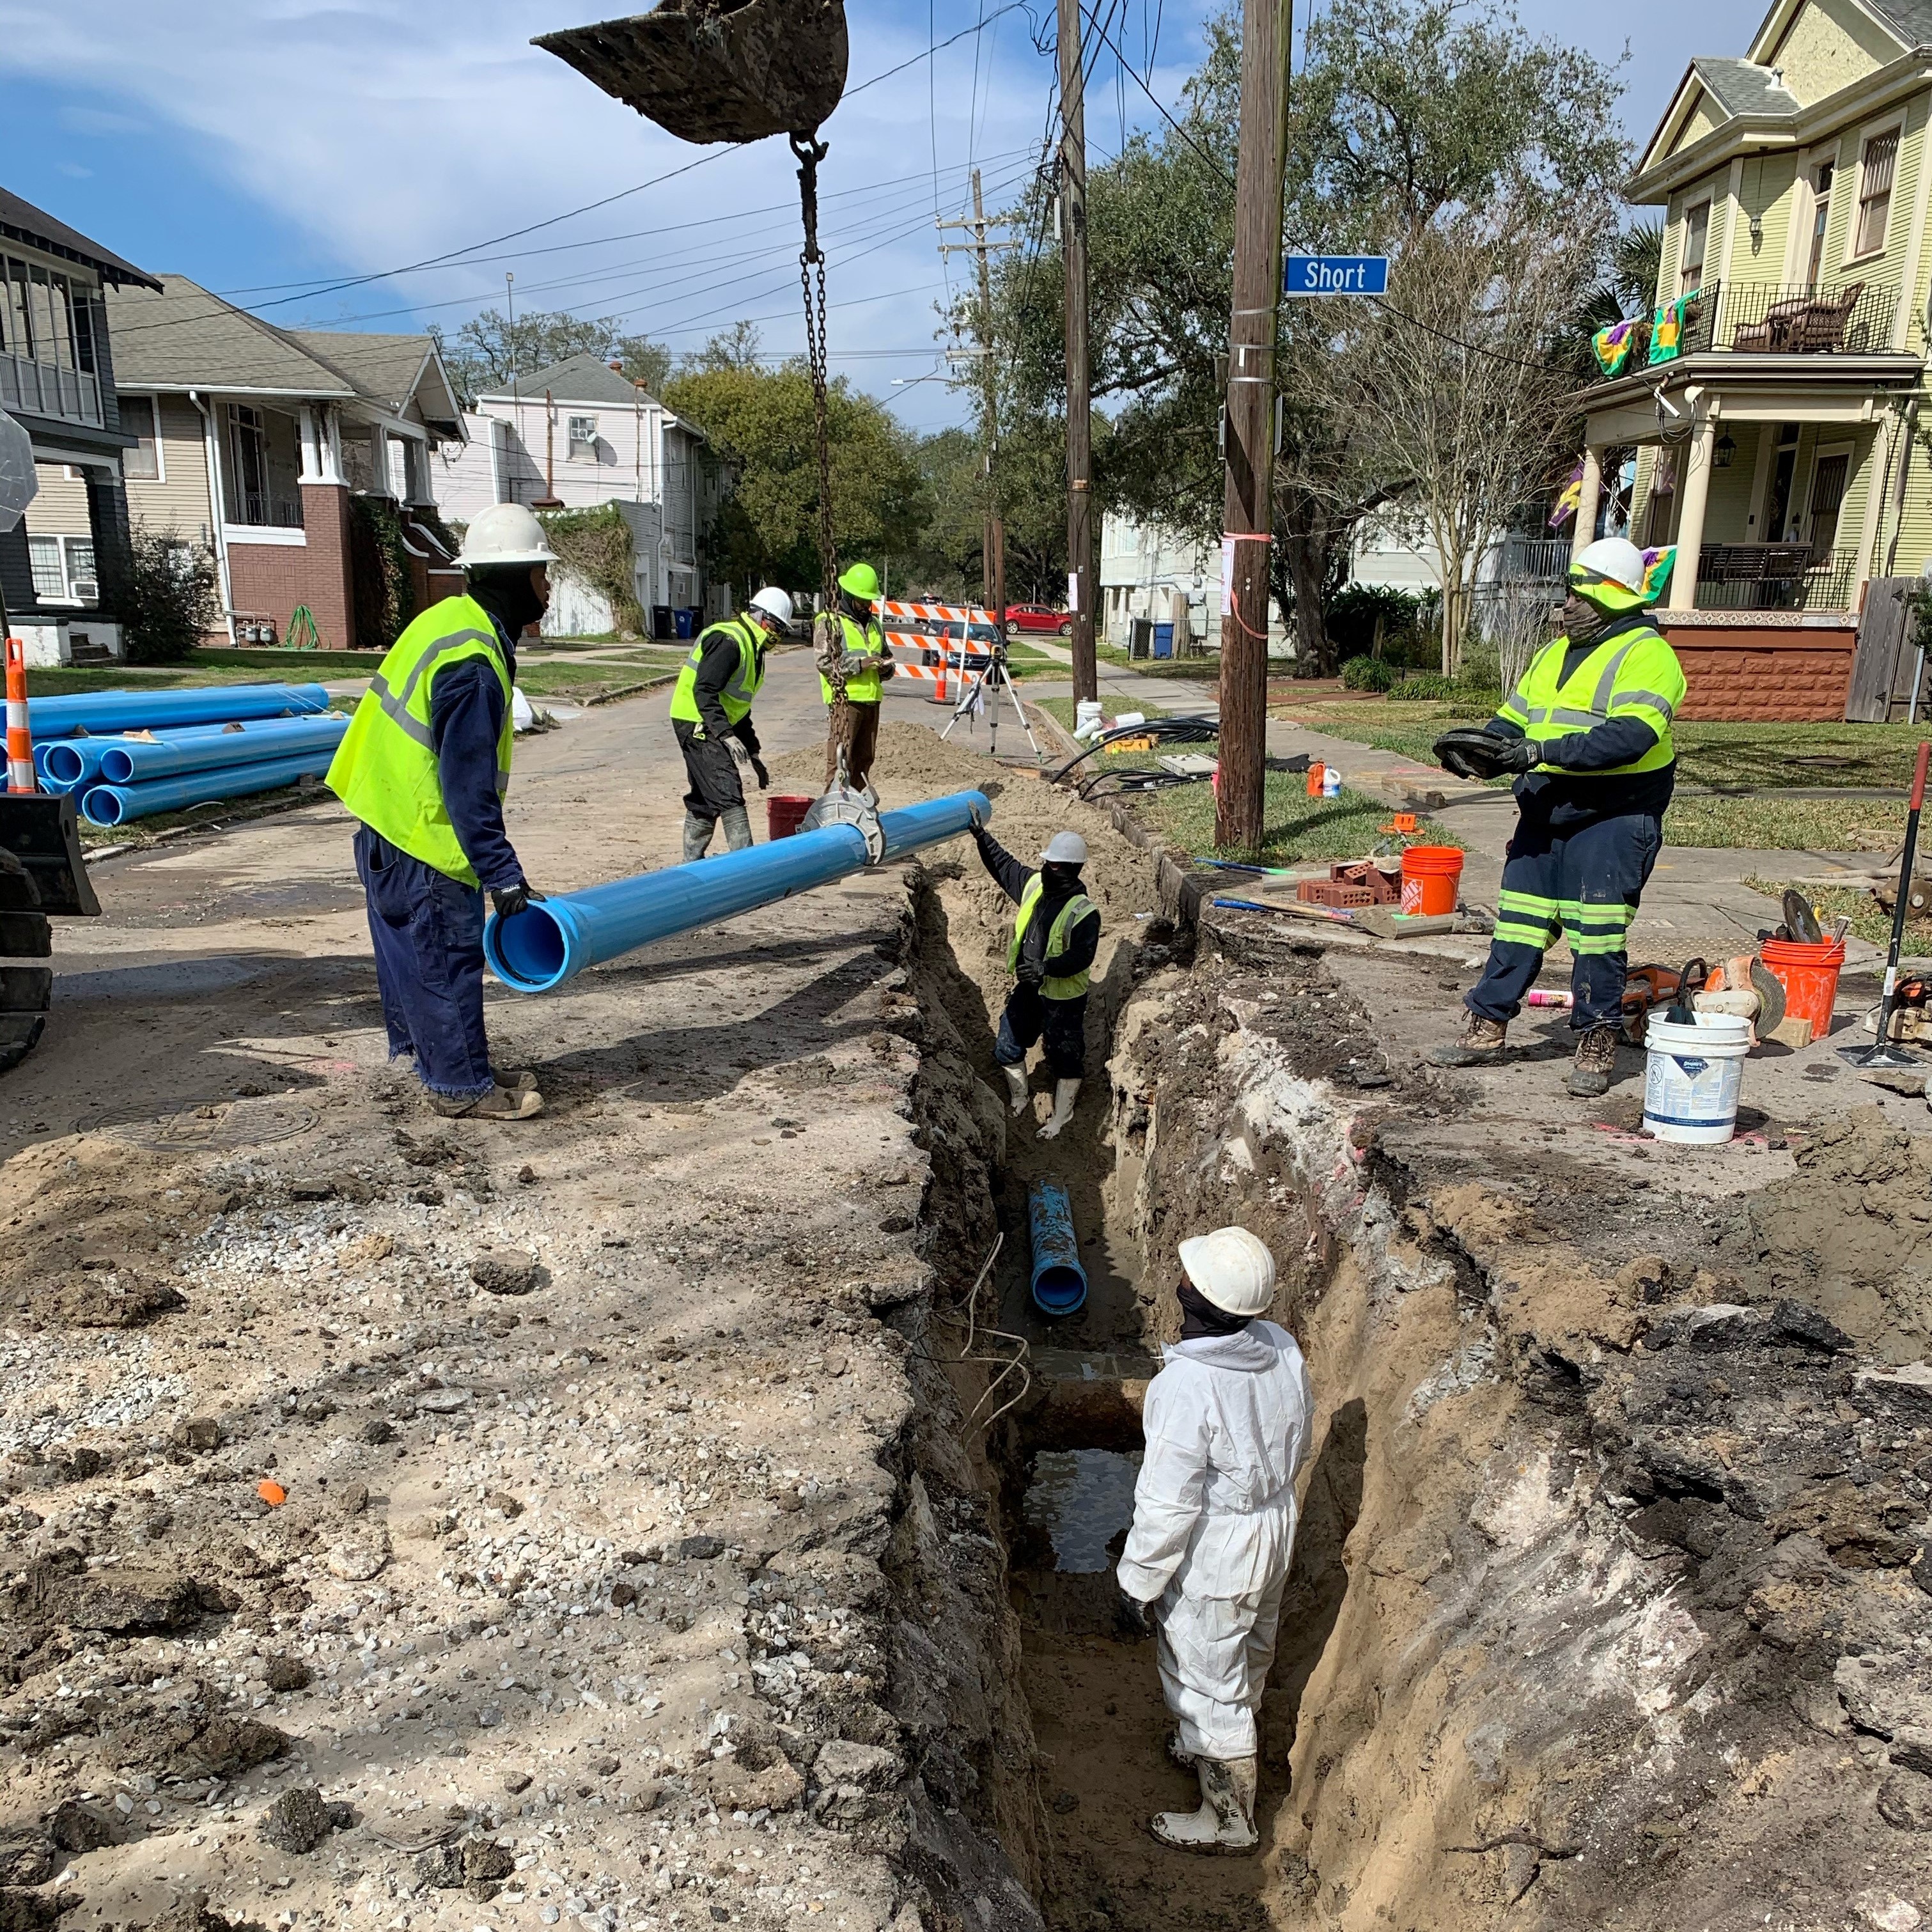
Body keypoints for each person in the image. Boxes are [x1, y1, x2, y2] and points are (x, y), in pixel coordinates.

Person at [1431, 536, 1686, 1098]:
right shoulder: (1553, 653)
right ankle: (1487, 1025)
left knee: (1597, 933)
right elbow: (1515, 719)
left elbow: (1630, 737)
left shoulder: (1648, 654)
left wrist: (1540, 754)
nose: (1565, 606)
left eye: (1579, 595)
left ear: (1616, 599)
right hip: (1547, 808)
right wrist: (1480, 752)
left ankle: (1598, 1037)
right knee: (1518, 923)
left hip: (1614, 815)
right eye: (1567, 594)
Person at [326, 501, 553, 1123]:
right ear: (513, 579)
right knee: (446, 959)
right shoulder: (474, 662)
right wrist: (502, 874)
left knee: (408, 958)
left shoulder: (446, 620)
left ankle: (429, 1064)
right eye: (542, 573)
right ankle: (460, 1087)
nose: (549, 586)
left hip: (383, 820)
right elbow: (467, 788)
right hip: (425, 834)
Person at [1117, 1227, 1312, 1856]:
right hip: (1273, 1522)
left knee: (1204, 1676)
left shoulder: (1186, 1386)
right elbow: (1298, 1433)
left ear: (1193, 1295)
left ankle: (1227, 1817)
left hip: (1221, 1545)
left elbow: (1167, 1502)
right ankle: (1207, 1742)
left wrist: (1137, 1581)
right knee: (1250, 1642)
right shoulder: (1280, 1346)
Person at [969, 821, 1100, 1141]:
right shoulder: (1034, 887)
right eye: (1047, 863)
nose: (1048, 869)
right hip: (1029, 988)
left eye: (1055, 865)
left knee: (1065, 1055)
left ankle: (1062, 1117)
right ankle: (1019, 1097)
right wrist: (981, 836)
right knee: (1007, 1042)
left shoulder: (1084, 913)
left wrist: (1046, 968)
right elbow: (1004, 866)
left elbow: (1082, 957)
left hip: (1063, 998)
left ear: (1073, 869)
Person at [669, 587, 794, 861]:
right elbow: (704, 691)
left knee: (706, 795)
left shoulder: (753, 647)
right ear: (761, 617)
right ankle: (747, 867)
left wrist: (753, 751)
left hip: (709, 721)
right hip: (696, 721)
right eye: (776, 626)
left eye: (782, 630)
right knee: (728, 791)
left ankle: (691, 865)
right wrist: (726, 735)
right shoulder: (730, 641)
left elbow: (739, 706)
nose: (778, 635)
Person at [816, 560, 894, 791]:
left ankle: (858, 809)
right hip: (846, 701)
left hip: (872, 701)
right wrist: (860, 665)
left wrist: (886, 668)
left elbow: (887, 656)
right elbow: (824, 662)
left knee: (864, 761)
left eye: (869, 600)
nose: (866, 605)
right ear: (849, 596)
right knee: (841, 762)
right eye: (862, 600)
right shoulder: (830, 622)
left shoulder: (876, 625)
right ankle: (833, 811)